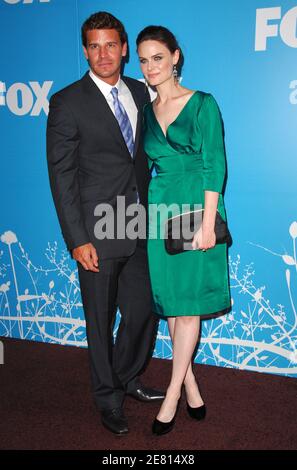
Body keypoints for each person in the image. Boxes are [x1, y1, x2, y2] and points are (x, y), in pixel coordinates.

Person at [46, 12, 164, 436]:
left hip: (138, 221)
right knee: (99, 320)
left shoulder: (140, 91)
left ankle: (126, 378)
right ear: (84, 51)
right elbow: (61, 177)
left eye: (110, 44)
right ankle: (108, 398)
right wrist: (77, 239)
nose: (103, 54)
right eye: (94, 46)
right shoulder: (67, 101)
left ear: (125, 48)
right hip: (97, 229)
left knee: (142, 311)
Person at [136, 26, 231, 435]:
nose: (150, 67)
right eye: (142, 59)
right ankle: (191, 383)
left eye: (157, 57)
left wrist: (208, 223)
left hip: (196, 207)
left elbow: (216, 166)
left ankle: (172, 393)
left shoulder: (203, 104)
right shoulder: (146, 111)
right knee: (173, 304)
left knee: (188, 305)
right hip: (160, 210)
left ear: (176, 57)